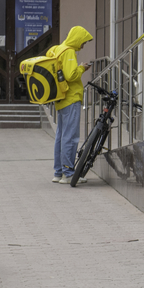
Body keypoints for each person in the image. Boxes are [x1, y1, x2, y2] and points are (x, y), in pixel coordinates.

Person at [51, 26, 94, 184]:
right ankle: (68, 173)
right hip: (70, 98)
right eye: (83, 42)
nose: (83, 45)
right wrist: (82, 67)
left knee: (61, 137)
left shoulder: (58, 49)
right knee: (71, 137)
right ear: (77, 39)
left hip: (61, 99)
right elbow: (70, 75)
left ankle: (58, 172)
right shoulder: (68, 51)